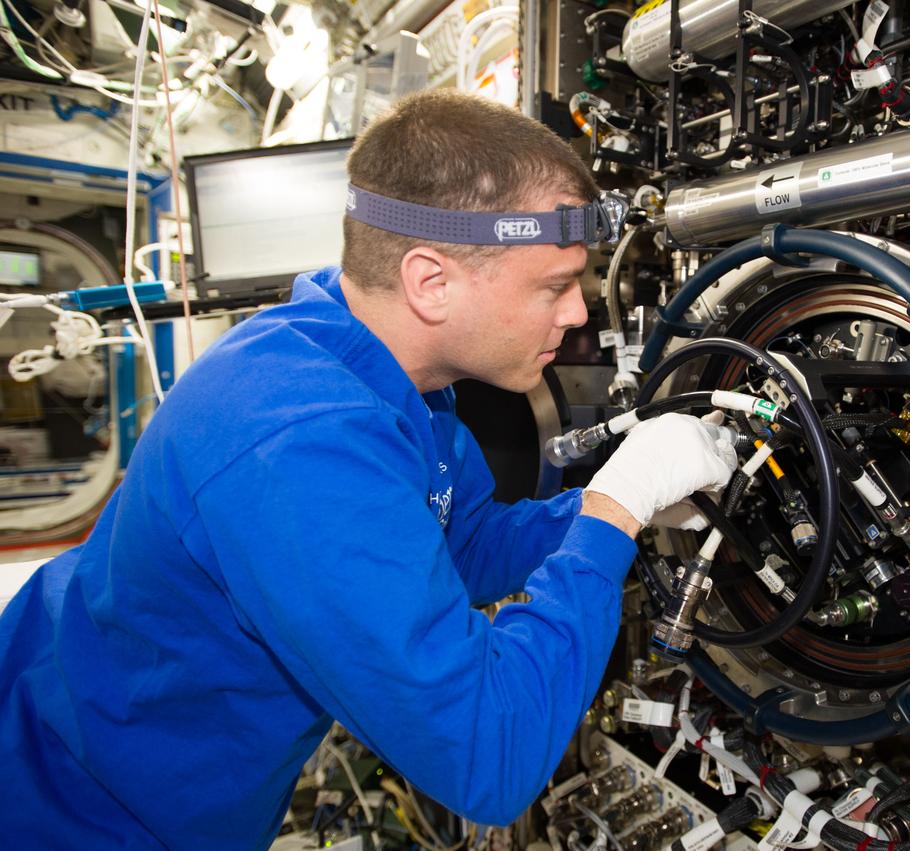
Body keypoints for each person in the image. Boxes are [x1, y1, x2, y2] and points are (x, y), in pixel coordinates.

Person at [0, 90, 737, 848]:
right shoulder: (301, 441)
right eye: (553, 287)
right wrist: (615, 507)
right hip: (74, 812)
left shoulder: (378, 367)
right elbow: (490, 755)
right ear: (430, 281)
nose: (579, 314)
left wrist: (610, 511)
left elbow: (464, 543)